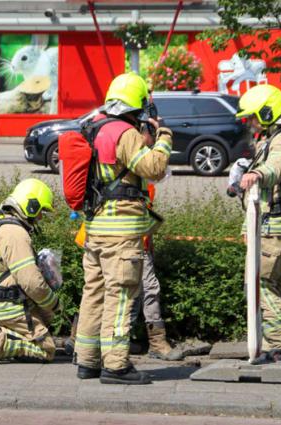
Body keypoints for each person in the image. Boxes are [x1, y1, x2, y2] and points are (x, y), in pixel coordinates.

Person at [75, 73, 172, 385]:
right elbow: (154, 168)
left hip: (95, 229)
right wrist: (164, 137)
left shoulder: (95, 128)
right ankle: (116, 366)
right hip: (121, 233)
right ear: (137, 104)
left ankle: (87, 360)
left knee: (94, 294)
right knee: (120, 296)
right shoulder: (124, 133)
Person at [236, 84, 281, 363]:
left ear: (267, 113)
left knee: (261, 284)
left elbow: (278, 166)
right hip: (276, 226)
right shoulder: (275, 137)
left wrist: (257, 175)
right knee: (277, 285)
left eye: (253, 116)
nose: (250, 123)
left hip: (275, 227)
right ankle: (278, 346)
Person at [0, 178, 58, 365]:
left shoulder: (1, 224)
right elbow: (31, 282)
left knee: (43, 322)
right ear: (31, 206)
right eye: (40, 211)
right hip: (9, 308)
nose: (40, 217)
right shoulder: (15, 233)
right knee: (47, 349)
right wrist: (53, 302)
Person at [128, 182, 185, 362]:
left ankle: (151, 342)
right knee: (139, 291)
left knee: (145, 290)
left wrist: (148, 245)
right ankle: (153, 343)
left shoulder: (143, 181)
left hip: (135, 243)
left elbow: (144, 212)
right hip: (123, 243)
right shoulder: (134, 176)